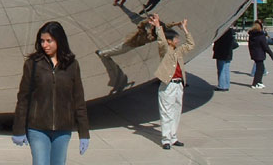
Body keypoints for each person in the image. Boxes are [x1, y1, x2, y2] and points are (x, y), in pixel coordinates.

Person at [12, 21, 90, 164]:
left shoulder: (72, 65)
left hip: (63, 129)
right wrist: (18, 129)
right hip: (37, 128)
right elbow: (23, 99)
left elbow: (78, 100)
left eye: (49, 41)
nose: (44, 45)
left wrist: (84, 133)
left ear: (59, 40)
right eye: (42, 41)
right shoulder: (33, 64)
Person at [152, 14, 194, 150]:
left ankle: (173, 137)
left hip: (178, 85)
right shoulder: (165, 50)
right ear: (170, 41)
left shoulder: (178, 51)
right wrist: (158, 25)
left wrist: (185, 29)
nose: (178, 40)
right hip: (168, 85)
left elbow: (190, 45)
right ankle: (166, 139)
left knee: (176, 111)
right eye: (176, 38)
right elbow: (161, 41)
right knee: (166, 111)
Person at [96, 16, 182, 58]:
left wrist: (175, 24)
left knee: (120, 49)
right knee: (119, 49)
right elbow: (142, 24)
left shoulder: (154, 35)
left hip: (135, 43)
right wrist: (148, 22)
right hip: (132, 40)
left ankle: (104, 53)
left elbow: (166, 27)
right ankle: (104, 53)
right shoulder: (151, 33)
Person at [248, 21, 273, 89]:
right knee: (260, 69)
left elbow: (249, 45)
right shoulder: (261, 35)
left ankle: (259, 82)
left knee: (260, 68)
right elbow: (265, 46)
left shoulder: (251, 35)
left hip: (254, 53)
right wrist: (271, 54)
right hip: (260, 54)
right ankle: (256, 83)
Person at [212, 26, 237, 91]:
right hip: (228, 54)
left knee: (221, 70)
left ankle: (222, 85)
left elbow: (217, 44)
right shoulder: (231, 34)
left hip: (221, 53)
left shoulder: (221, 34)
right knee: (226, 69)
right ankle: (226, 85)